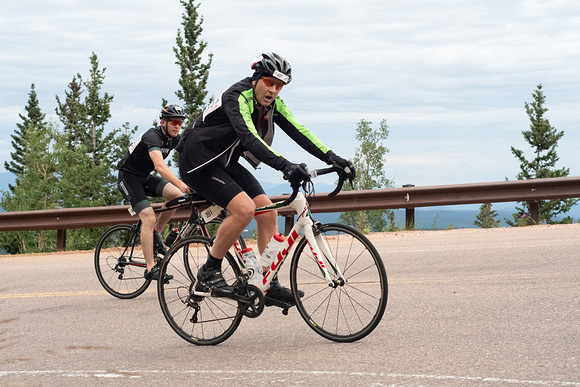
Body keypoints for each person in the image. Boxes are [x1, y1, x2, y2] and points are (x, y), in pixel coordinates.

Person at [177, 52, 355, 303]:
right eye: (270, 82)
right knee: (244, 210)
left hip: (225, 162)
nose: (273, 90)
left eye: (279, 86)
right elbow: (249, 137)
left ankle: (266, 282)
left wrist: (333, 158)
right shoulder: (236, 97)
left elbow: (299, 130)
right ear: (257, 78)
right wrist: (285, 166)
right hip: (198, 163)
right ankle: (209, 270)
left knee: (268, 212)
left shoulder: (272, 104)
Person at [117, 104, 192, 281]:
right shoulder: (153, 136)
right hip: (128, 177)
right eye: (174, 122)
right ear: (163, 122)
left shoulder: (174, 139)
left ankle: (155, 234)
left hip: (143, 176)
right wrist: (181, 183)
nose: (177, 126)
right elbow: (159, 166)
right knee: (149, 217)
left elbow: (192, 153)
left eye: (180, 123)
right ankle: (150, 268)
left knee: (176, 196)